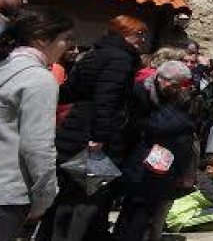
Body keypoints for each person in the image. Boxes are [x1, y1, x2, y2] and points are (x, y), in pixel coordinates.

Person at [46, 15, 146, 241]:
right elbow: (107, 100)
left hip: (75, 128)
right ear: (123, 33)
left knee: (68, 196)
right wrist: (99, 138)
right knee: (87, 199)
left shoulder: (92, 54)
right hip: (95, 139)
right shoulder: (121, 59)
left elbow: (69, 91)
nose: (142, 39)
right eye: (138, 34)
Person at [0, 8, 73, 239]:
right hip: (4, 194)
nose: (67, 46)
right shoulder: (38, 78)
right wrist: (44, 198)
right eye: (65, 39)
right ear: (41, 39)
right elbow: (37, 146)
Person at [114, 61, 199, 241]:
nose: (177, 88)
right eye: (175, 84)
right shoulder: (142, 93)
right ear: (162, 79)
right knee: (137, 210)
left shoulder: (176, 99)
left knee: (142, 210)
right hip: (142, 162)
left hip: (160, 163)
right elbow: (144, 124)